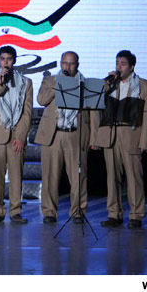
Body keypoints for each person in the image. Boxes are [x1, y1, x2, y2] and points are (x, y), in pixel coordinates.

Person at [34, 51, 99, 224]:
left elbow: (93, 113)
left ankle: (78, 211)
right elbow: (41, 100)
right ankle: (49, 212)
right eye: (64, 63)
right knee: (50, 176)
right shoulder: (50, 80)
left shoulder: (86, 84)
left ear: (77, 65)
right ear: (60, 63)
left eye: (71, 64)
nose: (67, 67)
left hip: (76, 134)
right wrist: (57, 85)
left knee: (78, 176)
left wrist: (94, 138)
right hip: (53, 134)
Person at [96, 50, 147, 229]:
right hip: (111, 134)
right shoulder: (110, 84)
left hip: (131, 134)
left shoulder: (144, 85)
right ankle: (114, 213)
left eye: (122, 64)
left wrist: (144, 140)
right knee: (112, 177)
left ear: (131, 67)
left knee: (134, 177)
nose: (118, 67)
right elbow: (96, 102)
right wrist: (107, 84)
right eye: (117, 63)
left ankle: (136, 214)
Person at [0, 46, 33, 224]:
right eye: (2, 59)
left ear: (14, 61)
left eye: (9, 59)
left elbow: (27, 112)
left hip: (16, 135)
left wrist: (20, 136)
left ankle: (15, 210)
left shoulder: (25, 82)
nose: (6, 62)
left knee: (16, 175)